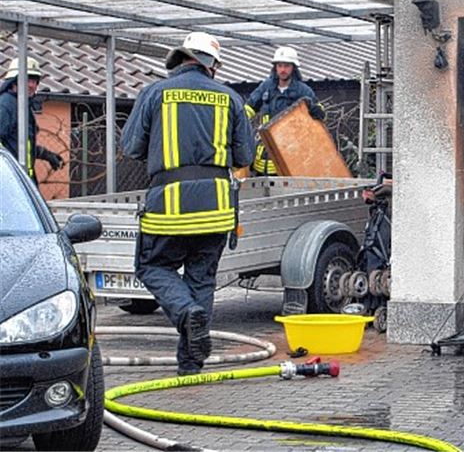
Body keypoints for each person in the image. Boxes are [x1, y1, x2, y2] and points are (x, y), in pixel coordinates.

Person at [121, 32, 254, 376]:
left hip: (168, 204)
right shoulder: (229, 99)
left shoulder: (153, 93)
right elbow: (243, 156)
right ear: (211, 66)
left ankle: (184, 312)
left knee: (152, 267)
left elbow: (132, 148)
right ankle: (190, 365)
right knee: (201, 280)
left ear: (179, 59)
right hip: (216, 206)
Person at [245, 45, 325, 175]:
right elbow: (248, 109)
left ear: (293, 68)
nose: (283, 70)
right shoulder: (266, 87)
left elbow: (320, 115)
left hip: (290, 151)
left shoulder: (303, 91)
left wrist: (313, 108)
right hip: (264, 152)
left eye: (286, 66)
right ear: (275, 67)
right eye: (280, 65)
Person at [0, 57, 64, 183]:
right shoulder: (6, 105)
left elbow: (19, 144)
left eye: (34, 81)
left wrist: (45, 154)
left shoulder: (20, 104)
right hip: (11, 180)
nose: (31, 85)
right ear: (14, 81)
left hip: (21, 179)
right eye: (27, 80)